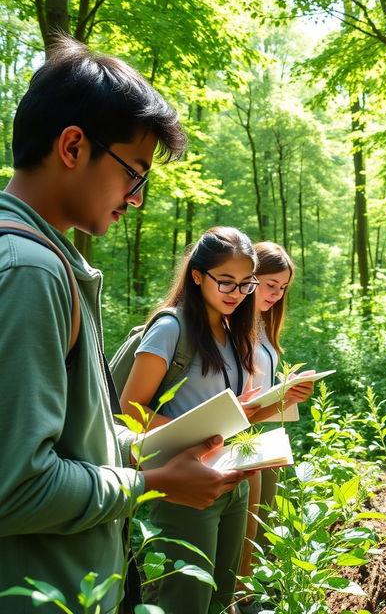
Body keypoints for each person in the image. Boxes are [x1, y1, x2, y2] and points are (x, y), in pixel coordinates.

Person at [0, 36, 250, 614]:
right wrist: (154, 485)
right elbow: (16, 485)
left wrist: (148, 448)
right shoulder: (30, 270)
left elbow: (69, 439)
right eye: (133, 172)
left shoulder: (49, 261)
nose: (136, 199)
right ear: (71, 147)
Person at [119, 227, 297, 614]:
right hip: (187, 481)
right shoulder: (172, 328)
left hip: (234, 479)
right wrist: (195, 433)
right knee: (186, 598)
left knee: (221, 596)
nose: (236, 294)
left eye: (246, 284)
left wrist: (272, 402)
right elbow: (131, 409)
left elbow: (231, 409)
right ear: (197, 275)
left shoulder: (235, 331)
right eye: (226, 282)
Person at [236, 241, 313, 614]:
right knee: (245, 525)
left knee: (264, 516)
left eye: (282, 288)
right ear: (250, 278)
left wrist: (288, 392)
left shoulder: (264, 324)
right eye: (270, 284)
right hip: (241, 436)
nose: (275, 294)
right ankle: (241, 598)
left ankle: (256, 591)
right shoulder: (231, 322)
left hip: (267, 431)